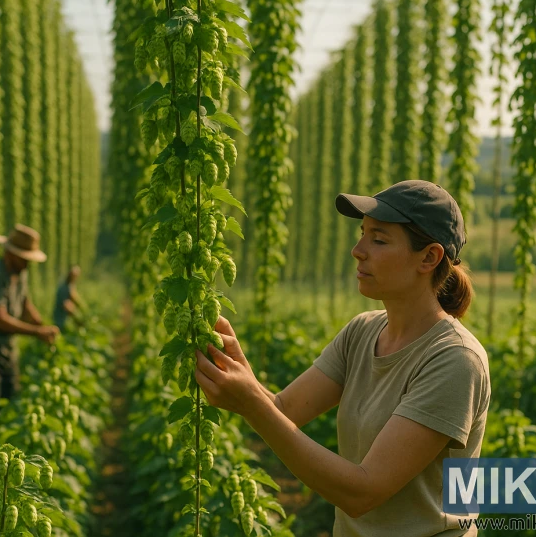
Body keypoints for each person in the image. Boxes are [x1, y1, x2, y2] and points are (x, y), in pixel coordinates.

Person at [194, 180, 490, 536]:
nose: (357, 250)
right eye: (362, 234)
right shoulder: (362, 332)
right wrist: (232, 364)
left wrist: (252, 403)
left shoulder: (454, 359)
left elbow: (363, 492)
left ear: (429, 257)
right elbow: (285, 409)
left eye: (379, 240)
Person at [0, 224, 60, 468]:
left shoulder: (19, 273)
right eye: (24, 258)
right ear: (11, 254)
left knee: (7, 410)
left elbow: (25, 303)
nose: (28, 264)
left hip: (7, 354)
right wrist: (37, 332)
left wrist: (40, 323)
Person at [52, 265, 84, 330]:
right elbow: (66, 305)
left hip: (63, 319)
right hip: (60, 320)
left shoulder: (70, 286)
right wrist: (77, 318)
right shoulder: (64, 288)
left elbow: (74, 298)